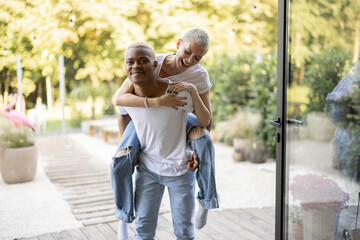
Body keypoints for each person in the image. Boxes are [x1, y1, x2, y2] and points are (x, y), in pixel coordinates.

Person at [111, 28, 219, 238]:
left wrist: (195, 149)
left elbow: (207, 120)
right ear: (178, 43)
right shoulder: (149, 62)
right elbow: (120, 100)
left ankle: (206, 200)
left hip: (182, 116)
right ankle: (123, 217)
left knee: (204, 140)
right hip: (146, 114)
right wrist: (131, 150)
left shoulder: (196, 77)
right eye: (187, 52)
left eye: (198, 57)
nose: (190, 60)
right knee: (120, 159)